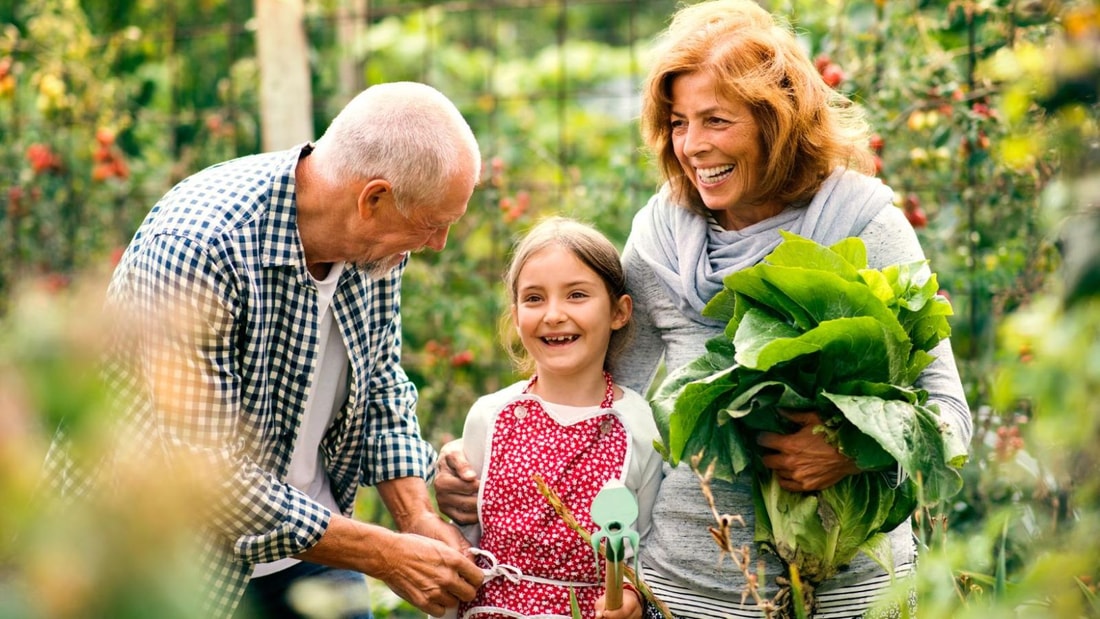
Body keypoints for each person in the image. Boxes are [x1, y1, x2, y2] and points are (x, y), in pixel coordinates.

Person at [433, 2, 972, 618]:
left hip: (851, 589)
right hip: (690, 588)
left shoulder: (864, 226)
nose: (692, 146)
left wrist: (854, 450)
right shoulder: (664, 234)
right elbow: (595, 402)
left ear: (778, 120)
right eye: (679, 123)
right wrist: (484, 457)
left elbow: (949, 416)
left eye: (716, 120)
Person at [43, 81, 485, 619]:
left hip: (309, 547)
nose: (437, 243)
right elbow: (211, 477)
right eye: (433, 224)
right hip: (165, 563)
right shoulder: (201, 249)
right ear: (373, 198)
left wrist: (416, 518)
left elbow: (381, 386)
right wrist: (385, 554)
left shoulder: (376, 249)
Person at [443, 217, 663, 619]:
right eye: (534, 298)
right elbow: (463, 539)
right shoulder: (490, 417)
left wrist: (631, 596)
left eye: (577, 295)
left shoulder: (637, 426)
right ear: (515, 314)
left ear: (619, 311)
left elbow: (644, 546)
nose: (554, 314)